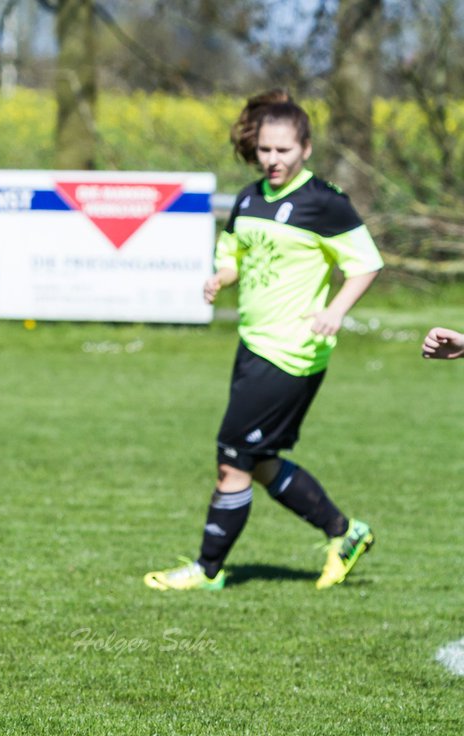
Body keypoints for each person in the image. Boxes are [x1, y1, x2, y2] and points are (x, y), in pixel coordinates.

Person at [144, 90, 382, 592]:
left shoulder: (325, 202)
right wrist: (222, 277)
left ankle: (208, 570)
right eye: (266, 150)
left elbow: (366, 264)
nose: (273, 160)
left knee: (232, 457)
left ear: (306, 149)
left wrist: (335, 310)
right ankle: (345, 532)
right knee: (261, 460)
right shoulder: (250, 198)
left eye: (284, 151)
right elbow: (232, 249)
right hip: (253, 345)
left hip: (291, 351)